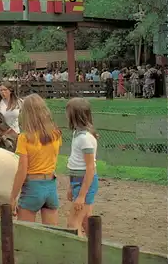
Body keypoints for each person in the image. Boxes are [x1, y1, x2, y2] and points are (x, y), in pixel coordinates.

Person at [10, 93, 62, 225]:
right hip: (51, 185)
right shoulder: (56, 134)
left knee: (26, 234)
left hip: (32, 187)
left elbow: (22, 170)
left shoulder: (25, 138)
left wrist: (12, 197)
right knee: (52, 234)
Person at [65, 98, 99, 237]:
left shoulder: (84, 138)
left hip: (83, 182)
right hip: (77, 181)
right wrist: (70, 187)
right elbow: (76, 162)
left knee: (73, 225)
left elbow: (90, 168)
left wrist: (81, 195)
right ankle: (95, 252)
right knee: (86, 222)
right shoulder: (77, 134)